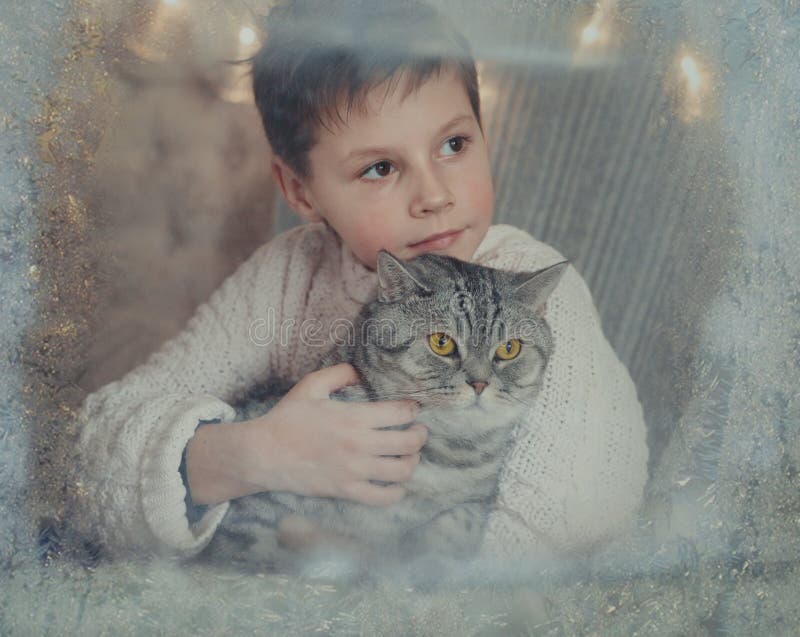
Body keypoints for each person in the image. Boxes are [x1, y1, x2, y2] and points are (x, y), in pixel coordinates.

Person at [64, 0, 648, 563]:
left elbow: (574, 511)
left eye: (454, 144)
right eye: (380, 167)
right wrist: (253, 455)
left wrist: (393, 590)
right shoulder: (287, 276)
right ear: (300, 193)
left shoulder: (532, 288)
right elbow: (93, 460)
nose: (435, 196)